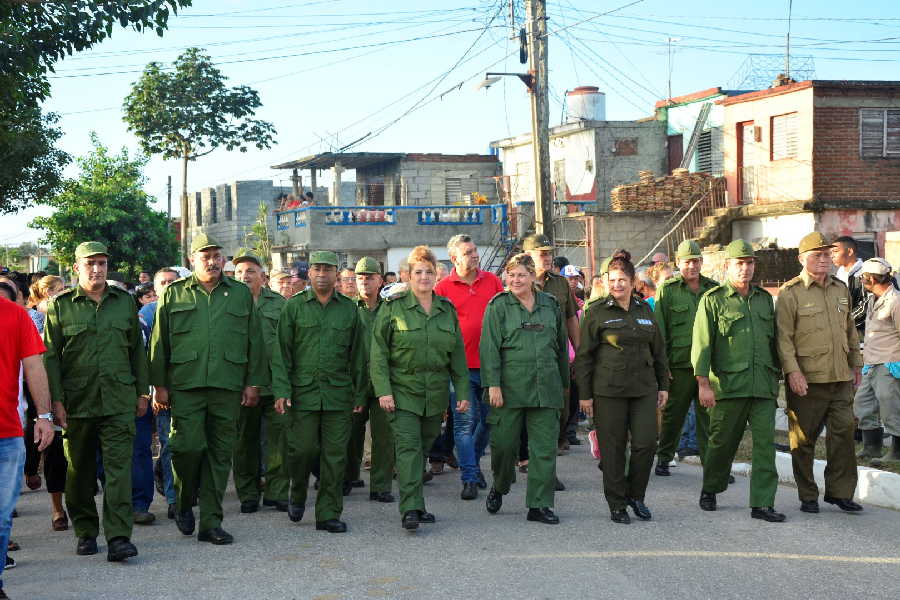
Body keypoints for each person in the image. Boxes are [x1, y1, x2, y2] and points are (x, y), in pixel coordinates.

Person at [149, 233, 267, 545]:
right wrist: (158, 385)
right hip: (185, 386)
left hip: (227, 385)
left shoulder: (240, 294)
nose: (212, 261)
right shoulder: (174, 294)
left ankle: (211, 522)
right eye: (205, 256)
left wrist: (253, 382)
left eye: (216, 255)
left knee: (219, 454)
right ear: (192, 260)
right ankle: (185, 500)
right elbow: (159, 342)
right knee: (186, 448)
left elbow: (255, 339)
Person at [42, 241, 148, 560]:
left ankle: (118, 537)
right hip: (78, 403)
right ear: (76, 268)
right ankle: (86, 531)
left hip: (118, 398)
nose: (97, 269)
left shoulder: (124, 302)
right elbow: (50, 359)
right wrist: (55, 403)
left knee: (118, 471)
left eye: (101, 263)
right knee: (80, 471)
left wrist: (142, 391)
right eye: (90, 264)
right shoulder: (61, 306)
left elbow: (136, 352)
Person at [370, 245, 469, 531]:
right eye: (418, 272)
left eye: (429, 272)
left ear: (437, 275)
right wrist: (383, 390)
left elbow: (458, 356)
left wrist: (462, 392)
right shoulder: (393, 308)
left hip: (435, 393)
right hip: (402, 390)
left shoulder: (446, 310)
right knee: (409, 449)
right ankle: (410, 508)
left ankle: (418, 503)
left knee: (424, 445)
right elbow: (378, 354)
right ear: (407, 276)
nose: (424, 277)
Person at [271, 251, 364, 534]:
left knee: (335, 457)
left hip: (338, 395)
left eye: (327, 269)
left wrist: (360, 394)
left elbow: (358, 355)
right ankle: (297, 492)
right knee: (302, 450)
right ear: (308, 273)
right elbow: (281, 352)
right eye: (317, 269)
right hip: (303, 395)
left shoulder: (349, 309)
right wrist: (282, 390)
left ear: (337, 274)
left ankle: (328, 513)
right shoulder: (295, 307)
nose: (322, 273)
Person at [692, 239, 784, 523]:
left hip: (763, 385)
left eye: (750, 263)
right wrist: (704, 385)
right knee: (721, 444)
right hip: (729, 387)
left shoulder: (764, 299)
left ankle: (762, 503)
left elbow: (774, 342)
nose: (745, 269)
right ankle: (711, 487)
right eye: (739, 263)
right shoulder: (713, 299)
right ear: (727, 266)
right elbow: (702, 346)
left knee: (765, 445)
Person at [575, 256, 669, 524]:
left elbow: (659, 350)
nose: (616, 285)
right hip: (609, 390)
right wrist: (585, 394)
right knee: (613, 449)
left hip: (643, 389)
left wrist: (663, 385)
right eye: (612, 280)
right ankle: (617, 503)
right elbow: (584, 357)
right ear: (606, 282)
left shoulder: (644, 310)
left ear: (632, 282)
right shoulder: (597, 312)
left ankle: (635, 495)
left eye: (622, 281)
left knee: (646, 443)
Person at [776, 232, 863, 514]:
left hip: (840, 377)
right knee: (803, 440)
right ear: (802, 259)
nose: (824, 259)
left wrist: (856, 364)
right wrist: (792, 372)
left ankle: (840, 492)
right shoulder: (791, 293)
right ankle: (808, 494)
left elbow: (849, 329)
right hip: (808, 379)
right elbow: (783, 338)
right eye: (817, 255)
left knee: (844, 433)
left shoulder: (840, 288)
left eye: (828, 254)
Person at [481, 253, 568, 524]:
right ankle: (501, 485)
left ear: (532, 277)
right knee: (504, 447)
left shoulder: (550, 305)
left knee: (543, 449)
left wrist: (564, 384)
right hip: (509, 389)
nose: (515, 280)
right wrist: (493, 385)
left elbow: (560, 347)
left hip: (546, 387)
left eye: (521, 274)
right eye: (511, 274)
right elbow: (489, 348)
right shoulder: (498, 306)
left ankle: (539, 505)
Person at [434, 234, 504, 500]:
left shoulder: (492, 281)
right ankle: (470, 477)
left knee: (489, 420)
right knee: (464, 423)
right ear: (454, 258)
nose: (474, 255)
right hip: (458, 370)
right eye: (468, 252)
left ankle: (470, 462)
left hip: (490, 367)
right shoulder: (442, 288)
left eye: (475, 250)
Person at [1, 291, 55, 599]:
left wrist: (44, 416)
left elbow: (34, 366)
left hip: (6, 432)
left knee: (1, 516)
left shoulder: (16, 315)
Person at [654, 240, 719, 476]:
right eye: (687, 261)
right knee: (674, 415)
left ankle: (712, 465)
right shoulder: (668, 290)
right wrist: (663, 366)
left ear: (701, 262)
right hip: (679, 365)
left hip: (708, 365)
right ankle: (664, 457)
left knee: (708, 417)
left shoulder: (713, 288)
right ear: (678, 263)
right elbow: (659, 331)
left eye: (696, 261)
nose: (692, 265)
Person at [232, 251, 289, 513]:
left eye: (250, 271)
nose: (244, 276)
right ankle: (248, 494)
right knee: (245, 443)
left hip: (274, 384)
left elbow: (289, 346)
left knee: (278, 442)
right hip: (241, 386)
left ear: (263, 277)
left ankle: (276, 492)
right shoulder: (229, 303)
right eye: (239, 272)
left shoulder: (279, 304)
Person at [521, 233, 579, 461]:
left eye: (549, 253)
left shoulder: (561, 283)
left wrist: (580, 350)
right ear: (528, 256)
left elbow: (571, 318)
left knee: (562, 404)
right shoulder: (518, 282)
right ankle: (529, 453)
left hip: (557, 356)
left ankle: (554, 441)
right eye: (541, 254)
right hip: (526, 358)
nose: (547, 258)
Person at [345, 257, 396, 502]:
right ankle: (348, 476)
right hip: (355, 383)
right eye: (360, 277)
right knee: (350, 434)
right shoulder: (347, 309)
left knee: (383, 436)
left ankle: (380, 485)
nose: (365, 281)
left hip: (383, 383)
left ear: (380, 280)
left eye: (370, 277)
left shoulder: (391, 308)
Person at [22, 276, 69, 532]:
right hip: (46, 393)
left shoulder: (73, 312)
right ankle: (57, 508)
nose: (60, 295)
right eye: (56, 291)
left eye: (64, 290)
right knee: (54, 455)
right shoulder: (34, 319)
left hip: (75, 392)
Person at [139, 268, 179, 520]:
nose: (168, 286)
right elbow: (144, 357)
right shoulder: (148, 313)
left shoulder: (194, 307)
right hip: (162, 392)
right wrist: (154, 391)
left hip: (193, 389)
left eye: (172, 282)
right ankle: (174, 498)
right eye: (162, 283)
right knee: (168, 444)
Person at [855, 258, 900, 464]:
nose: (862, 281)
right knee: (863, 404)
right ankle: (872, 447)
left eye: (863, 277)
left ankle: (897, 453)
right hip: (871, 362)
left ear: (871, 278)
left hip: (889, 362)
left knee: (890, 407)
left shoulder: (896, 301)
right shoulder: (873, 298)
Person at [831, 236, 867, 337]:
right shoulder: (840, 273)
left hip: (860, 331)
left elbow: (865, 307)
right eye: (831, 252)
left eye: (835, 251)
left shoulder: (864, 273)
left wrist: (845, 322)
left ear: (850, 251)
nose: (832, 256)